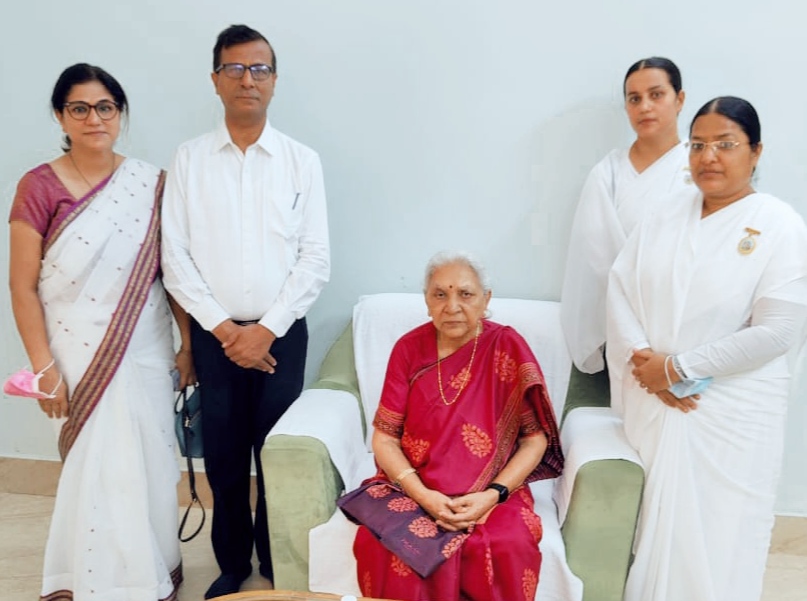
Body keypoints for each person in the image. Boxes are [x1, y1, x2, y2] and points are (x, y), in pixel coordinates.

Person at [606, 97, 807, 601]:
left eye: (725, 144)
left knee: (721, 537)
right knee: (652, 535)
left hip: (731, 413)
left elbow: (777, 332)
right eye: (697, 145)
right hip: (652, 400)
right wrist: (646, 362)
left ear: (756, 152)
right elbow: (619, 286)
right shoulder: (665, 212)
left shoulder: (780, 225)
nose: (708, 157)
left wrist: (676, 369)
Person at [8, 63, 194, 601]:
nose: (94, 119)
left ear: (120, 113)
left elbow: (170, 275)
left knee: (147, 462)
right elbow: (22, 286)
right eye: (80, 108)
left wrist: (187, 346)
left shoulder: (152, 184)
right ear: (60, 116)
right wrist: (44, 367)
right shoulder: (38, 185)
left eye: (105, 107)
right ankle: (93, 582)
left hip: (147, 346)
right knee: (96, 467)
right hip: (74, 351)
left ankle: (148, 573)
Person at [161, 24, 330, 599]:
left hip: (282, 334)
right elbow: (175, 257)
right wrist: (226, 331)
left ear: (275, 81)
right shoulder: (189, 160)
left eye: (259, 69)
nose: (247, 80)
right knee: (225, 457)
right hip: (215, 337)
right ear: (216, 80)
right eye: (234, 69)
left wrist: (265, 331)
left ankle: (278, 562)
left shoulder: (301, 161)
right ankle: (232, 566)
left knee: (277, 454)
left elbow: (315, 259)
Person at [341, 251, 563, 601]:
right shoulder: (408, 349)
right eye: (440, 294)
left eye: (466, 294)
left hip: (492, 488)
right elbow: (385, 438)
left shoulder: (507, 346)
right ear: (427, 301)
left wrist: (493, 495)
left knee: (507, 544)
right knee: (378, 543)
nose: (452, 306)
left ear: (486, 299)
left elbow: (534, 440)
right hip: (416, 484)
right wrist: (423, 496)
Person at [561, 57, 692, 374]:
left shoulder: (700, 168)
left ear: (679, 99)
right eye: (634, 99)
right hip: (622, 332)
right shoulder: (607, 173)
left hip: (690, 326)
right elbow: (594, 261)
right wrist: (631, 335)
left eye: (656, 95)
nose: (645, 106)